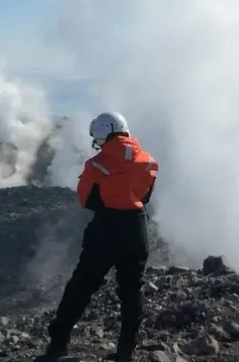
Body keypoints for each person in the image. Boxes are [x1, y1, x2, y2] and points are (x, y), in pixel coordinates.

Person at [38, 112, 158, 362]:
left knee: (80, 287)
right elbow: (145, 196)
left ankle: (57, 346)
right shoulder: (148, 161)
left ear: (106, 132)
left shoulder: (96, 164)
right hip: (136, 229)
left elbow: (85, 198)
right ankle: (126, 351)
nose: (98, 143)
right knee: (132, 290)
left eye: (98, 138)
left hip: (106, 229)